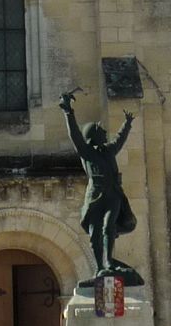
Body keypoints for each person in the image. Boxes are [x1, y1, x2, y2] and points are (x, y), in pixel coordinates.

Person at [58, 88, 143, 285]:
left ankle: (108, 262)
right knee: (95, 232)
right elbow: (75, 136)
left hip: (112, 195)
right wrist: (68, 112)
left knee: (108, 226)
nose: (105, 133)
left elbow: (119, 141)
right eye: (102, 131)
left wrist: (127, 125)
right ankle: (100, 268)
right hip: (95, 196)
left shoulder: (108, 151)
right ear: (94, 135)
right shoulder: (87, 153)